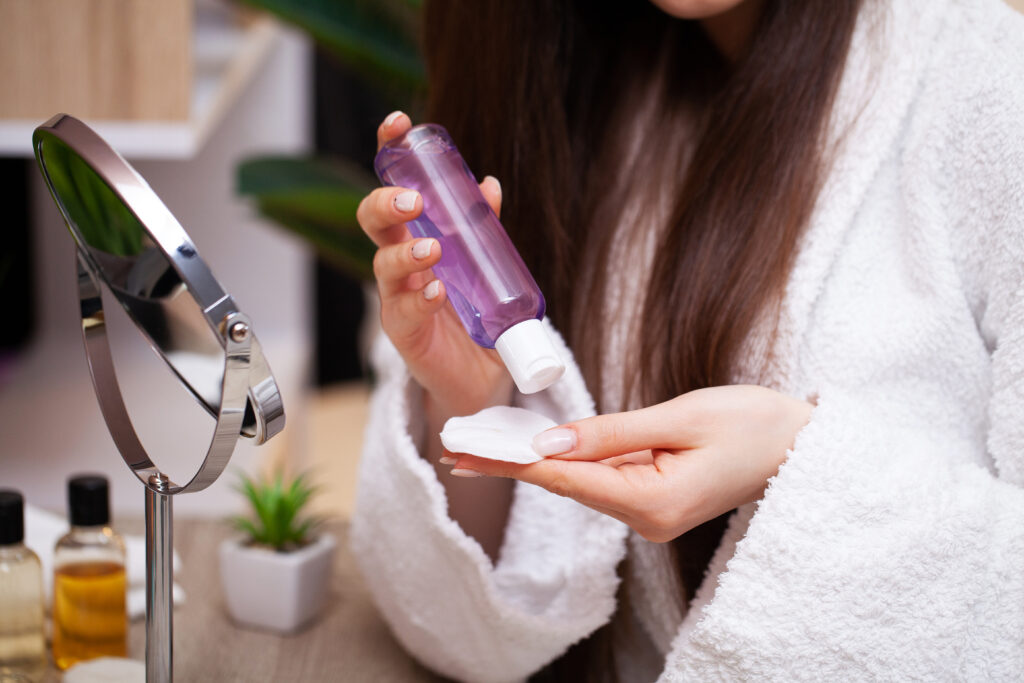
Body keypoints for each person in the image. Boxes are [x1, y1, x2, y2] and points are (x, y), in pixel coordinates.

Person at [351, 0, 1024, 679]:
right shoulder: (575, 80)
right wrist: (472, 401)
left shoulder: (993, 86)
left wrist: (794, 457)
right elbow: (459, 626)